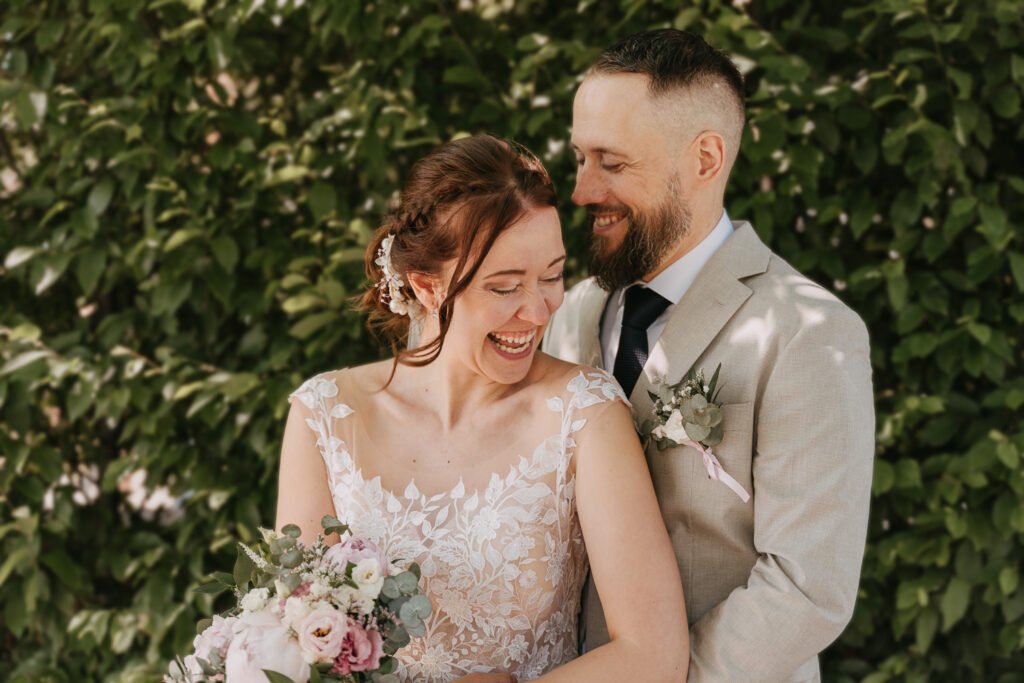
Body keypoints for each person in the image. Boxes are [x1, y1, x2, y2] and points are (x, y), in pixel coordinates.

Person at [276, 135, 688, 683]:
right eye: (504, 286)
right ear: (427, 286)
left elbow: (652, 655)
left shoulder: (584, 415)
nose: (539, 309)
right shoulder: (324, 416)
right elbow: (304, 646)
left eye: (551, 275)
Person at [543, 29, 875, 682]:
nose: (581, 192)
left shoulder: (808, 330)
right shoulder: (569, 312)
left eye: (611, 163)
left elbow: (807, 587)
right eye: (581, 159)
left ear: (704, 159)